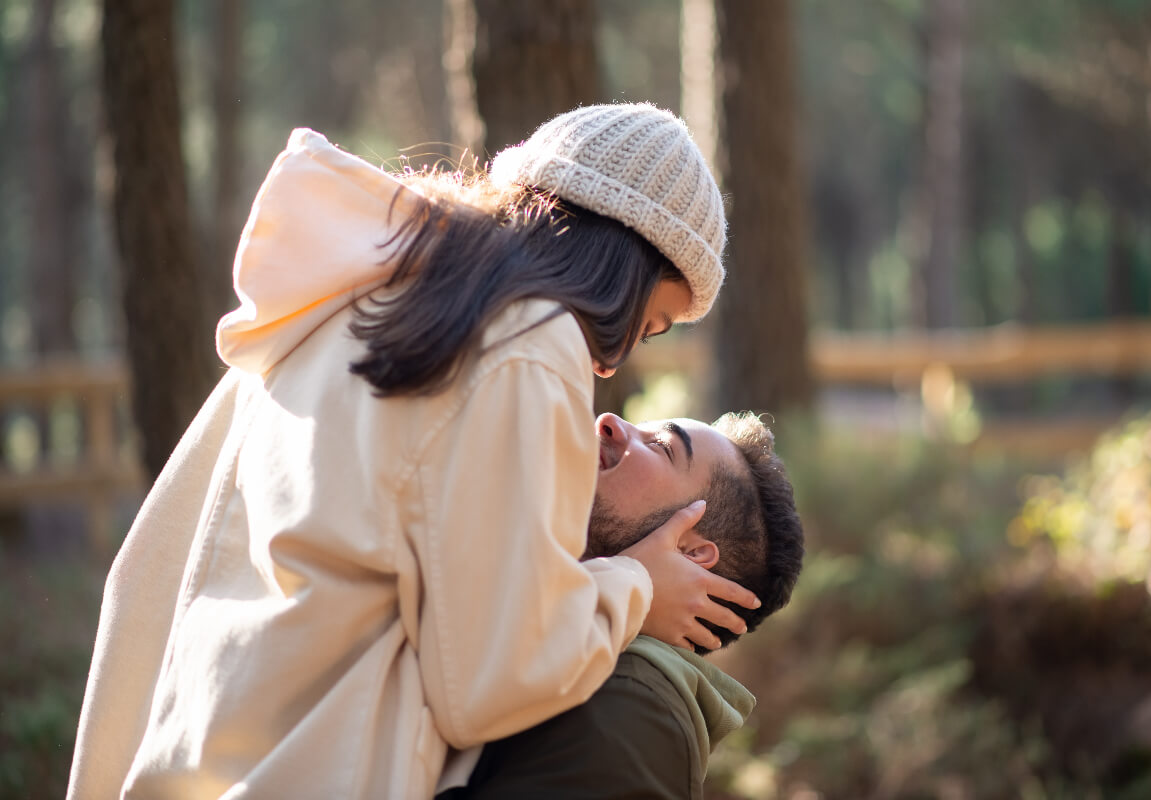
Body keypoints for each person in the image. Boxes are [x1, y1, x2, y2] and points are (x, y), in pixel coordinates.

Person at [67, 104, 758, 800]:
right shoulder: (529, 343)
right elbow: (493, 680)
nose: (612, 364)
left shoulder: (359, 292)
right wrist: (635, 584)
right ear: (625, 266)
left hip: (196, 752)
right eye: (650, 324)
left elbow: (158, 557)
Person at [439, 410, 805, 799]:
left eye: (662, 447)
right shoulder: (531, 622)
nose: (609, 421)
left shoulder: (630, 708)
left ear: (688, 552)